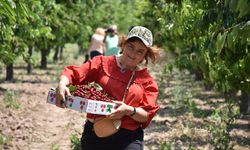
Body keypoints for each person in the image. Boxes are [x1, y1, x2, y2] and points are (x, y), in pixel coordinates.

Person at [55, 26, 160, 150]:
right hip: (97, 132)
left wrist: (128, 110)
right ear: (123, 44)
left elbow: (145, 115)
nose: (133, 54)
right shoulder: (102, 63)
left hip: (128, 138)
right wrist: (62, 84)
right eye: (130, 46)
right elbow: (76, 73)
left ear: (145, 56)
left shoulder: (147, 82)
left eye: (140, 51)